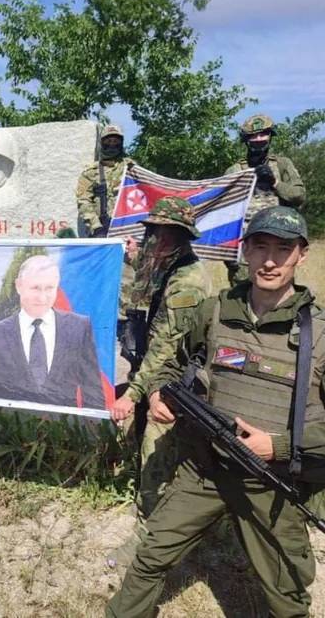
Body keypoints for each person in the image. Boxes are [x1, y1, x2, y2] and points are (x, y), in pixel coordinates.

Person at [106, 206, 325, 618]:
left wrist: (275, 445)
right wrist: (157, 395)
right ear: (244, 251)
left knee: (286, 595)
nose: (270, 260)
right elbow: (171, 363)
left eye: (283, 248)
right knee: (151, 557)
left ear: (302, 254)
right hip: (204, 469)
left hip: (271, 483)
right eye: (260, 247)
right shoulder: (215, 311)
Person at [108, 197, 209, 565]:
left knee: (157, 434)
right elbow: (147, 270)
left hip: (179, 373)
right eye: (154, 233)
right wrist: (132, 255)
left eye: (168, 235)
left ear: (183, 239)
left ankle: (150, 530)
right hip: (155, 363)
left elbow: (167, 348)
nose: (158, 242)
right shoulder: (164, 263)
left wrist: (136, 393)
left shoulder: (188, 282)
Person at [0, 254, 104, 408]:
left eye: (49, 288)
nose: (42, 297)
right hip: (10, 428)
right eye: (35, 288)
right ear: (19, 286)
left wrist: (92, 429)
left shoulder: (79, 327)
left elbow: (93, 391)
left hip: (62, 430)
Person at [224, 114, 305, 285]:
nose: (259, 139)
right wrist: (227, 250)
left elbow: (298, 195)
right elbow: (224, 212)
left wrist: (274, 182)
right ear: (246, 140)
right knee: (240, 298)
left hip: (278, 243)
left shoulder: (282, 164)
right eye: (253, 135)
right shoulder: (236, 170)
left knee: (277, 292)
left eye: (263, 134)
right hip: (245, 248)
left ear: (270, 136)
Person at [76, 124, 137, 238]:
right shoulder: (91, 172)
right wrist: (96, 227)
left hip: (128, 227)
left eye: (115, 141)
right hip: (102, 229)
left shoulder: (131, 168)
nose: (112, 145)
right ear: (102, 143)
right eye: (108, 141)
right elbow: (84, 201)